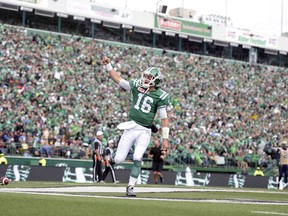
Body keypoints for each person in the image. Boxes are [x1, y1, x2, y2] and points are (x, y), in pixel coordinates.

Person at [102, 55, 171, 197]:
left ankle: (130, 187)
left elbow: (164, 118)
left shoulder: (161, 96)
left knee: (138, 157)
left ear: (155, 81)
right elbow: (118, 80)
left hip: (145, 131)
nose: (145, 79)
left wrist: (165, 138)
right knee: (120, 159)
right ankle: (112, 159)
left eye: (148, 77)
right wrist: (108, 65)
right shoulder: (137, 85)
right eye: (145, 76)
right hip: (131, 127)